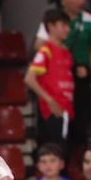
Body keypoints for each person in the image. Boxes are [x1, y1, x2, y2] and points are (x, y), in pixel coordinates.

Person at [41, 0, 91, 149]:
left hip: (80, 78)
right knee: (56, 131)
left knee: (80, 123)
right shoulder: (54, 19)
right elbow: (38, 45)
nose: (82, 1)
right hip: (54, 82)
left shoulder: (89, 21)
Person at [28, 10, 76, 147]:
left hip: (66, 108)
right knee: (53, 149)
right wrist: (49, 100)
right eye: (63, 25)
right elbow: (30, 79)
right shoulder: (46, 51)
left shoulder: (66, 52)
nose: (67, 29)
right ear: (51, 26)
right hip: (52, 110)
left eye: (68, 25)